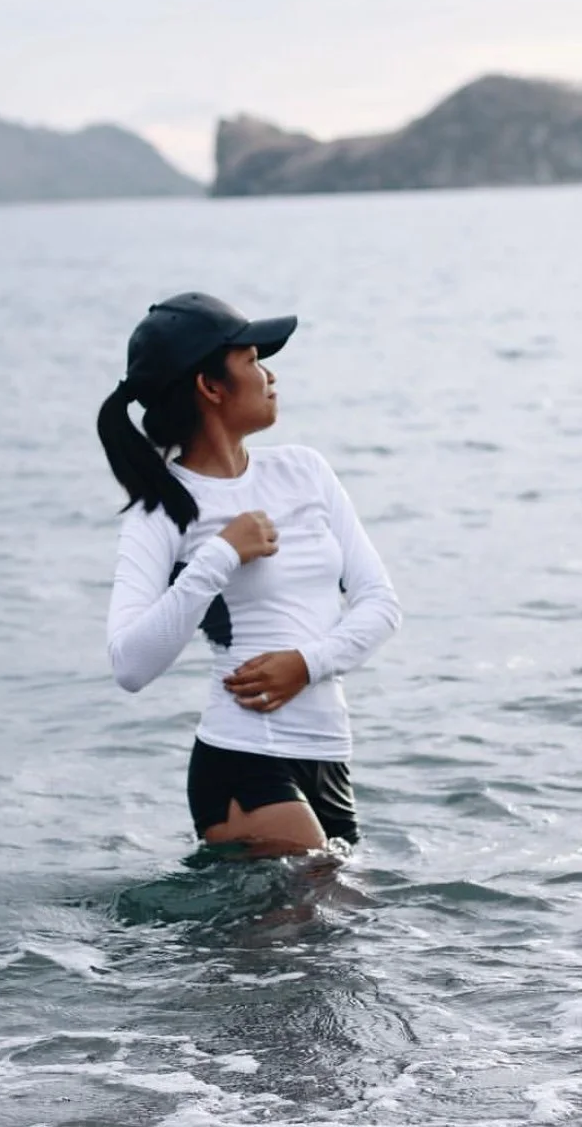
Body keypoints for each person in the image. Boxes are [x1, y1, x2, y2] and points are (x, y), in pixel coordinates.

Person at [97, 292, 402, 857]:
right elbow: (129, 666)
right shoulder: (160, 511)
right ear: (211, 387)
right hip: (241, 757)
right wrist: (218, 556)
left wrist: (306, 665)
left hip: (328, 754)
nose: (270, 374)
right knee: (327, 903)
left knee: (329, 939)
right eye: (252, 361)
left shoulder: (305, 470)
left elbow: (380, 604)